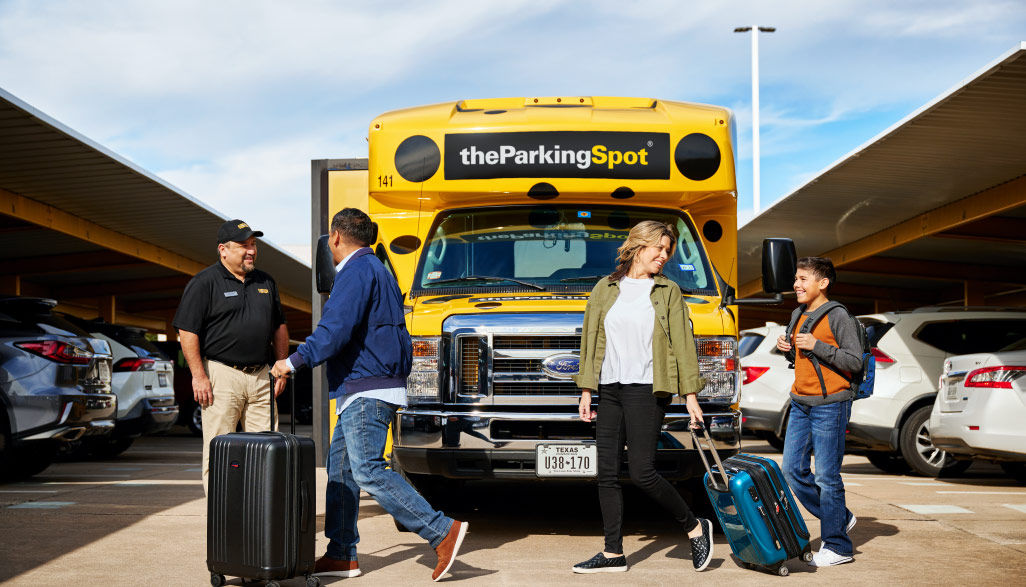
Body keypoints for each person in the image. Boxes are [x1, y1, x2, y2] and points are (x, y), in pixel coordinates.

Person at [271, 208, 467, 582]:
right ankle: (342, 554)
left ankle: (441, 530)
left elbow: (333, 331)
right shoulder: (380, 269)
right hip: (370, 385)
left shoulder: (356, 271)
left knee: (367, 470)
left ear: (335, 238)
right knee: (342, 471)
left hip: (367, 387)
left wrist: (291, 363)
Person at [571, 220, 714, 574]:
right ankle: (613, 553)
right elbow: (589, 342)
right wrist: (587, 390)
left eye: (668, 251)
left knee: (642, 471)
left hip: (647, 390)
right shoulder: (605, 288)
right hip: (610, 388)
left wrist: (691, 396)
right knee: (605, 473)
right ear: (638, 246)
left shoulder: (668, 291)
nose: (664, 256)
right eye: (659, 249)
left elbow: (683, 345)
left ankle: (695, 527)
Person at [173, 219, 289, 494]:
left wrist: (282, 365)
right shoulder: (204, 282)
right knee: (220, 449)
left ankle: (261, 514)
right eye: (244, 246)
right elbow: (187, 331)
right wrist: (198, 376)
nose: (251, 251)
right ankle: (222, 517)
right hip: (220, 376)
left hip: (262, 376)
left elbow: (279, 327)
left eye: (253, 245)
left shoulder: (266, 282)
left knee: (267, 449)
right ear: (223, 250)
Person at [776, 256, 862, 567]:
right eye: (796, 279)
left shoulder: (838, 315)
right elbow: (801, 359)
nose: (796, 285)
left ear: (822, 283)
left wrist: (816, 345)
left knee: (826, 477)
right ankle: (840, 516)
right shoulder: (798, 313)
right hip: (800, 402)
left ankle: (838, 546)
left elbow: (854, 361)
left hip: (831, 405)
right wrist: (786, 348)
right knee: (791, 471)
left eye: (803, 279)